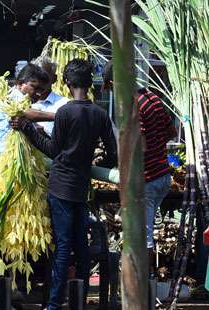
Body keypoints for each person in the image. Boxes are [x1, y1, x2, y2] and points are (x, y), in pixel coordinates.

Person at [11, 59, 118, 309]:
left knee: (62, 246)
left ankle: (54, 303)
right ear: (90, 84)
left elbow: (52, 150)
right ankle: (78, 301)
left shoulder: (65, 112)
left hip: (60, 187)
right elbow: (113, 153)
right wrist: (96, 158)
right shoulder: (100, 114)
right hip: (82, 187)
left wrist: (27, 128)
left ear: (68, 84)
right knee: (81, 245)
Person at [102, 60, 176, 277]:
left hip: (148, 178)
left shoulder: (132, 104)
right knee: (144, 231)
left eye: (110, 86)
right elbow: (170, 133)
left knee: (142, 236)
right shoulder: (152, 97)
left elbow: (140, 146)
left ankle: (145, 283)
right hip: (162, 175)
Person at [0, 62, 60, 187]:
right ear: (20, 84)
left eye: (41, 90)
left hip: (12, 172)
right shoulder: (12, 99)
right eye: (35, 87)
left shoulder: (26, 102)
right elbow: (24, 113)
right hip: (0, 171)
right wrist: (58, 116)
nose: (38, 94)